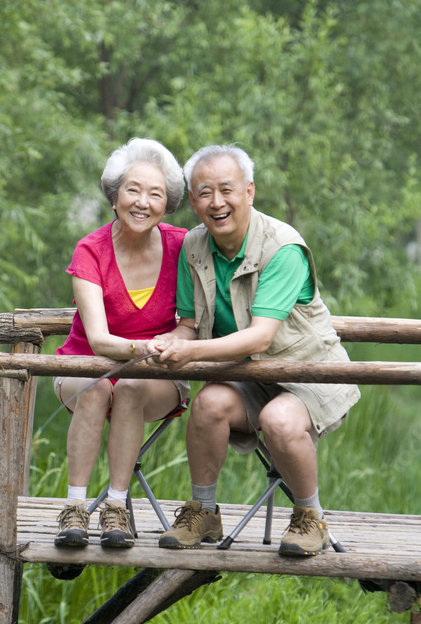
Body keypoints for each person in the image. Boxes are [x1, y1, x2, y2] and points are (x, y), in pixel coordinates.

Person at [147, 144, 360, 557]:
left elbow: (262, 337)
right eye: (204, 192)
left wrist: (192, 355)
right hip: (250, 377)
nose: (216, 201)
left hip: (308, 374)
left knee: (278, 419)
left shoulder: (283, 246)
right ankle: (203, 512)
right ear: (192, 201)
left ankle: (309, 518)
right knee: (207, 404)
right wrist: (173, 342)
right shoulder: (193, 247)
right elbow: (189, 325)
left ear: (249, 191)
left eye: (226, 189)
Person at [53, 137, 189, 550]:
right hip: (86, 366)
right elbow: (95, 339)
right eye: (133, 190)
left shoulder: (184, 246)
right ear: (114, 196)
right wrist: (143, 347)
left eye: (155, 194)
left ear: (167, 204)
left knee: (127, 388)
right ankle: (75, 509)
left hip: (156, 375)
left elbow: (193, 324)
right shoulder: (90, 249)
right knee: (99, 389)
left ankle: (117, 508)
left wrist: (174, 341)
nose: (142, 202)